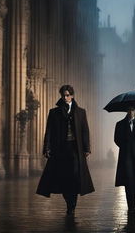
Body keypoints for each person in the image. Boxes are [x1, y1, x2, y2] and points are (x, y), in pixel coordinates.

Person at [36, 85, 94, 215]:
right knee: (63, 178)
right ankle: (69, 203)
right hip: (60, 150)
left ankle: (72, 204)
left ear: (72, 96)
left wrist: (87, 148)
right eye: (63, 95)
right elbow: (49, 131)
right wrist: (47, 147)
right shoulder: (54, 112)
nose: (65, 97)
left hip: (75, 149)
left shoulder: (80, 112)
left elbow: (85, 131)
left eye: (67, 95)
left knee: (74, 176)